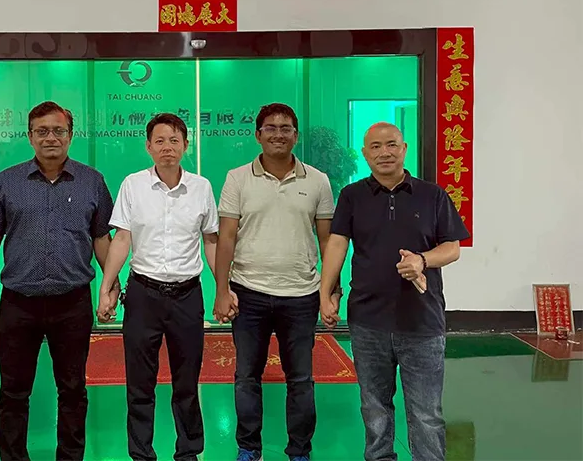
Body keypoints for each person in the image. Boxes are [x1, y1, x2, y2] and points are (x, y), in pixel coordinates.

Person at [0, 101, 118, 461]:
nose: (50, 137)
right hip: (18, 303)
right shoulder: (7, 182)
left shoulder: (92, 181)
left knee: (73, 389)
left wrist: (111, 286)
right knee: (13, 391)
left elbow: (102, 238)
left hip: (73, 303)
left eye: (58, 131)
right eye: (42, 131)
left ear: (70, 135)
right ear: (30, 136)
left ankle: (70, 456)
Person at [319, 122, 469, 461]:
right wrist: (325, 292)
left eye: (391, 145)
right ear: (365, 153)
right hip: (367, 321)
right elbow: (338, 243)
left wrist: (421, 260)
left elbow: (452, 247)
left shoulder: (432, 195)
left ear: (404, 149)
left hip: (422, 321)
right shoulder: (352, 196)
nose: (384, 152)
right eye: (375, 146)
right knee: (374, 409)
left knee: (426, 413)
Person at [97, 113, 233, 461]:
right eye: (159, 141)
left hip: (187, 296)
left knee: (187, 383)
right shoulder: (133, 185)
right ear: (148, 147)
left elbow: (212, 241)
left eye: (174, 140)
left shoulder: (201, 187)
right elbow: (122, 238)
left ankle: (188, 452)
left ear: (186, 145)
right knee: (139, 383)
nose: (167, 147)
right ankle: (141, 453)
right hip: (143, 295)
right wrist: (106, 286)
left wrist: (223, 288)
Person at [213, 103, 339, 461]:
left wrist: (331, 291)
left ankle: (299, 450)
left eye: (286, 128)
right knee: (246, 377)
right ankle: (248, 447)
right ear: (258, 135)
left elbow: (328, 241)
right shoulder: (237, 178)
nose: (278, 134)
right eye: (270, 127)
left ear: (295, 136)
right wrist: (222, 291)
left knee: (300, 379)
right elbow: (226, 238)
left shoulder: (317, 180)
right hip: (248, 293)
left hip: (301, 295)